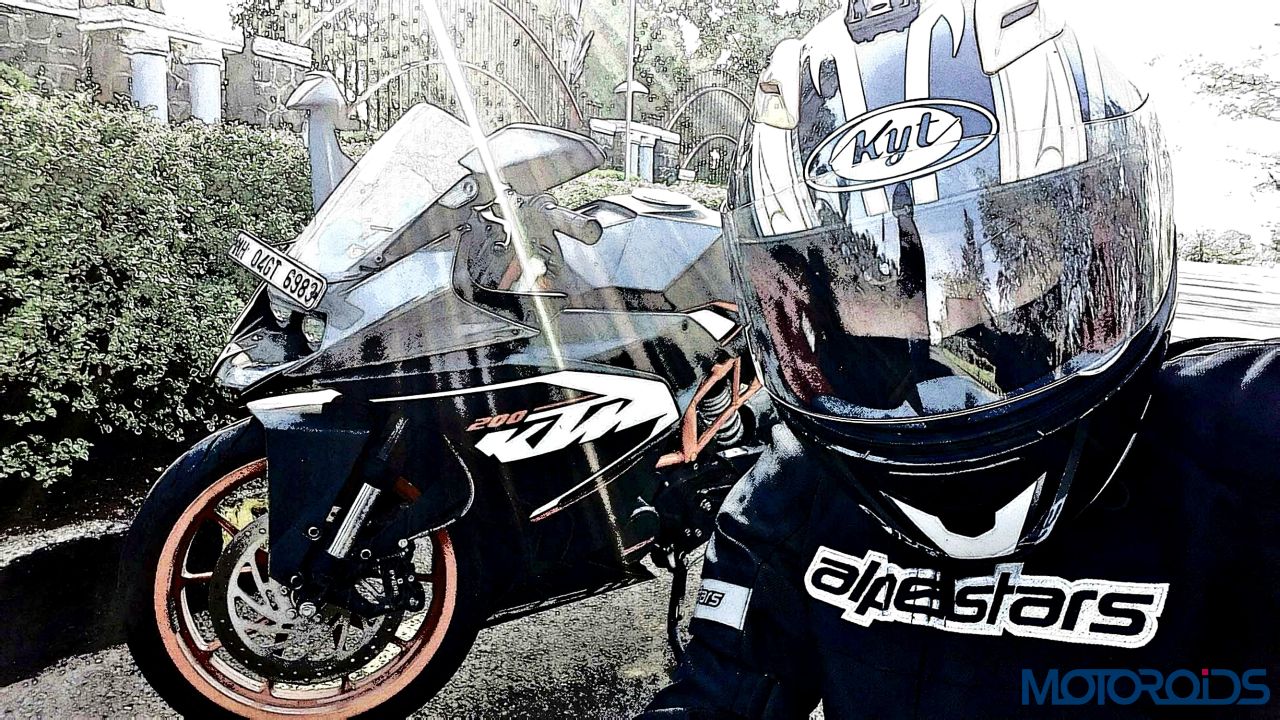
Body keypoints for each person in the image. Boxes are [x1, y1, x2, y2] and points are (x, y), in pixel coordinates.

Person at [640, 0, 1280, 717]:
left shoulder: (1245, 448)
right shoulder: (796, 494)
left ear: (1104, 244)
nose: (946, 323)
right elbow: (716, 698)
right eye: (877, 270)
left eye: (1002, 248)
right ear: (805, 296)